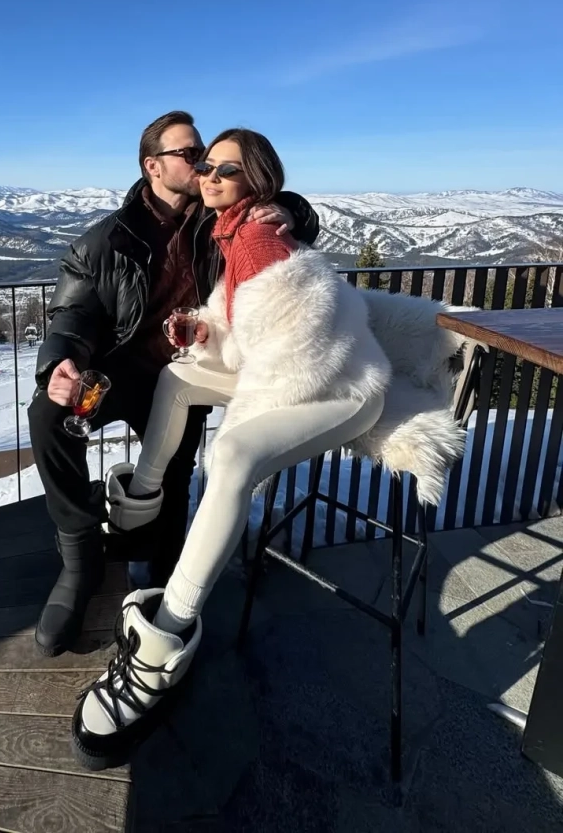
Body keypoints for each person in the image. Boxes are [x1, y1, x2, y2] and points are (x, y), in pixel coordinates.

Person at [70, 128, 391, 771]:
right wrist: (202, 329)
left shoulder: (258, 240)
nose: (210, 176)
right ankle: (141, 503)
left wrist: (239, 434)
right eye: (206, 166)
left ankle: (164, 641)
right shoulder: (231, 230)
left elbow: (294, 358)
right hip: (288, 366)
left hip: (342, 384)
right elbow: (242, 325)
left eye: (226, 169)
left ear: (257, 180)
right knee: (179, 376)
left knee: (234, 457)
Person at [29, 111, 321, 657]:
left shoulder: (219, 219)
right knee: (47, 416)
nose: (203, 165)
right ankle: (80, 558)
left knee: (177, 469)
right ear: (153, 166)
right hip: (117, 371)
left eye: (206, 155)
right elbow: (74, 315)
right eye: (191, 156)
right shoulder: (106, 240)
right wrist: (60, 364)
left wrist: (289, 210)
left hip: (182, 372)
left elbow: (283, 208)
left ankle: (164, 574)